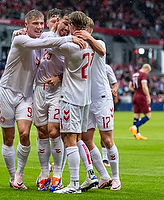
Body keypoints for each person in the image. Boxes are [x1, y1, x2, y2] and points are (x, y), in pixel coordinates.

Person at [0, 9, 83, 190]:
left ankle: (40, 174)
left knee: (27, 133)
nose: (38, 26)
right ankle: (15, 176)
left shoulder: (46, 42)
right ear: (26, 25)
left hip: (29, 94)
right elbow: (41, 40)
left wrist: (60, 76)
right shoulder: (24, 40)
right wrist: (15, 33)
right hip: (8, 91)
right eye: (34, 23)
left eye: (40, 23)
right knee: (10, 138)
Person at [47, 11, 95, 194]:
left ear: (73, 27)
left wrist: (54, 30)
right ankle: (87, 176)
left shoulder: (72, 46)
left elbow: (50, 45)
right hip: (84, 99)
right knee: (77, 138)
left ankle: (74, 184)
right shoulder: (91, 45)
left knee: (69, 139)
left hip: (70, 98)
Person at [74, 18, 121, 191]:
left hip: (102, 98)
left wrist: (89, 38)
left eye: (82, 29)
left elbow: (101, 51)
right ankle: (104, 176)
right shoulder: (77, 46)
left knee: (107, 140)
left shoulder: (98, 43)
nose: (79, 32)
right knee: (86, 139)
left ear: (89, 30)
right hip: (87, 100)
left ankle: (116, 178)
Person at [34, 8, 69, 192]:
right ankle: (44, 174)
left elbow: (75, 71)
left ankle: (58, 175)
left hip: (58, 91)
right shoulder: (44, 37)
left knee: (54, 130)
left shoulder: (70, 42)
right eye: (65, 24)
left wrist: (60, 78)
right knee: (41, 132)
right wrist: (19, 32)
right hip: (39, 88)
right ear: (57, 20)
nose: (66, 28)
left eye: (69, 25)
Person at [129, 63, 152, 140]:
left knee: (136, 116)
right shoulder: (143, 75)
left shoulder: (134, 74)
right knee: (148, 115)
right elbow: (144, 86)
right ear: (147, 69)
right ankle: (134, 127)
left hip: (135, 96)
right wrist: (148, 96)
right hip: (141, 96)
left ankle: (137, 135)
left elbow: (130, 87)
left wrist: (136, 90)